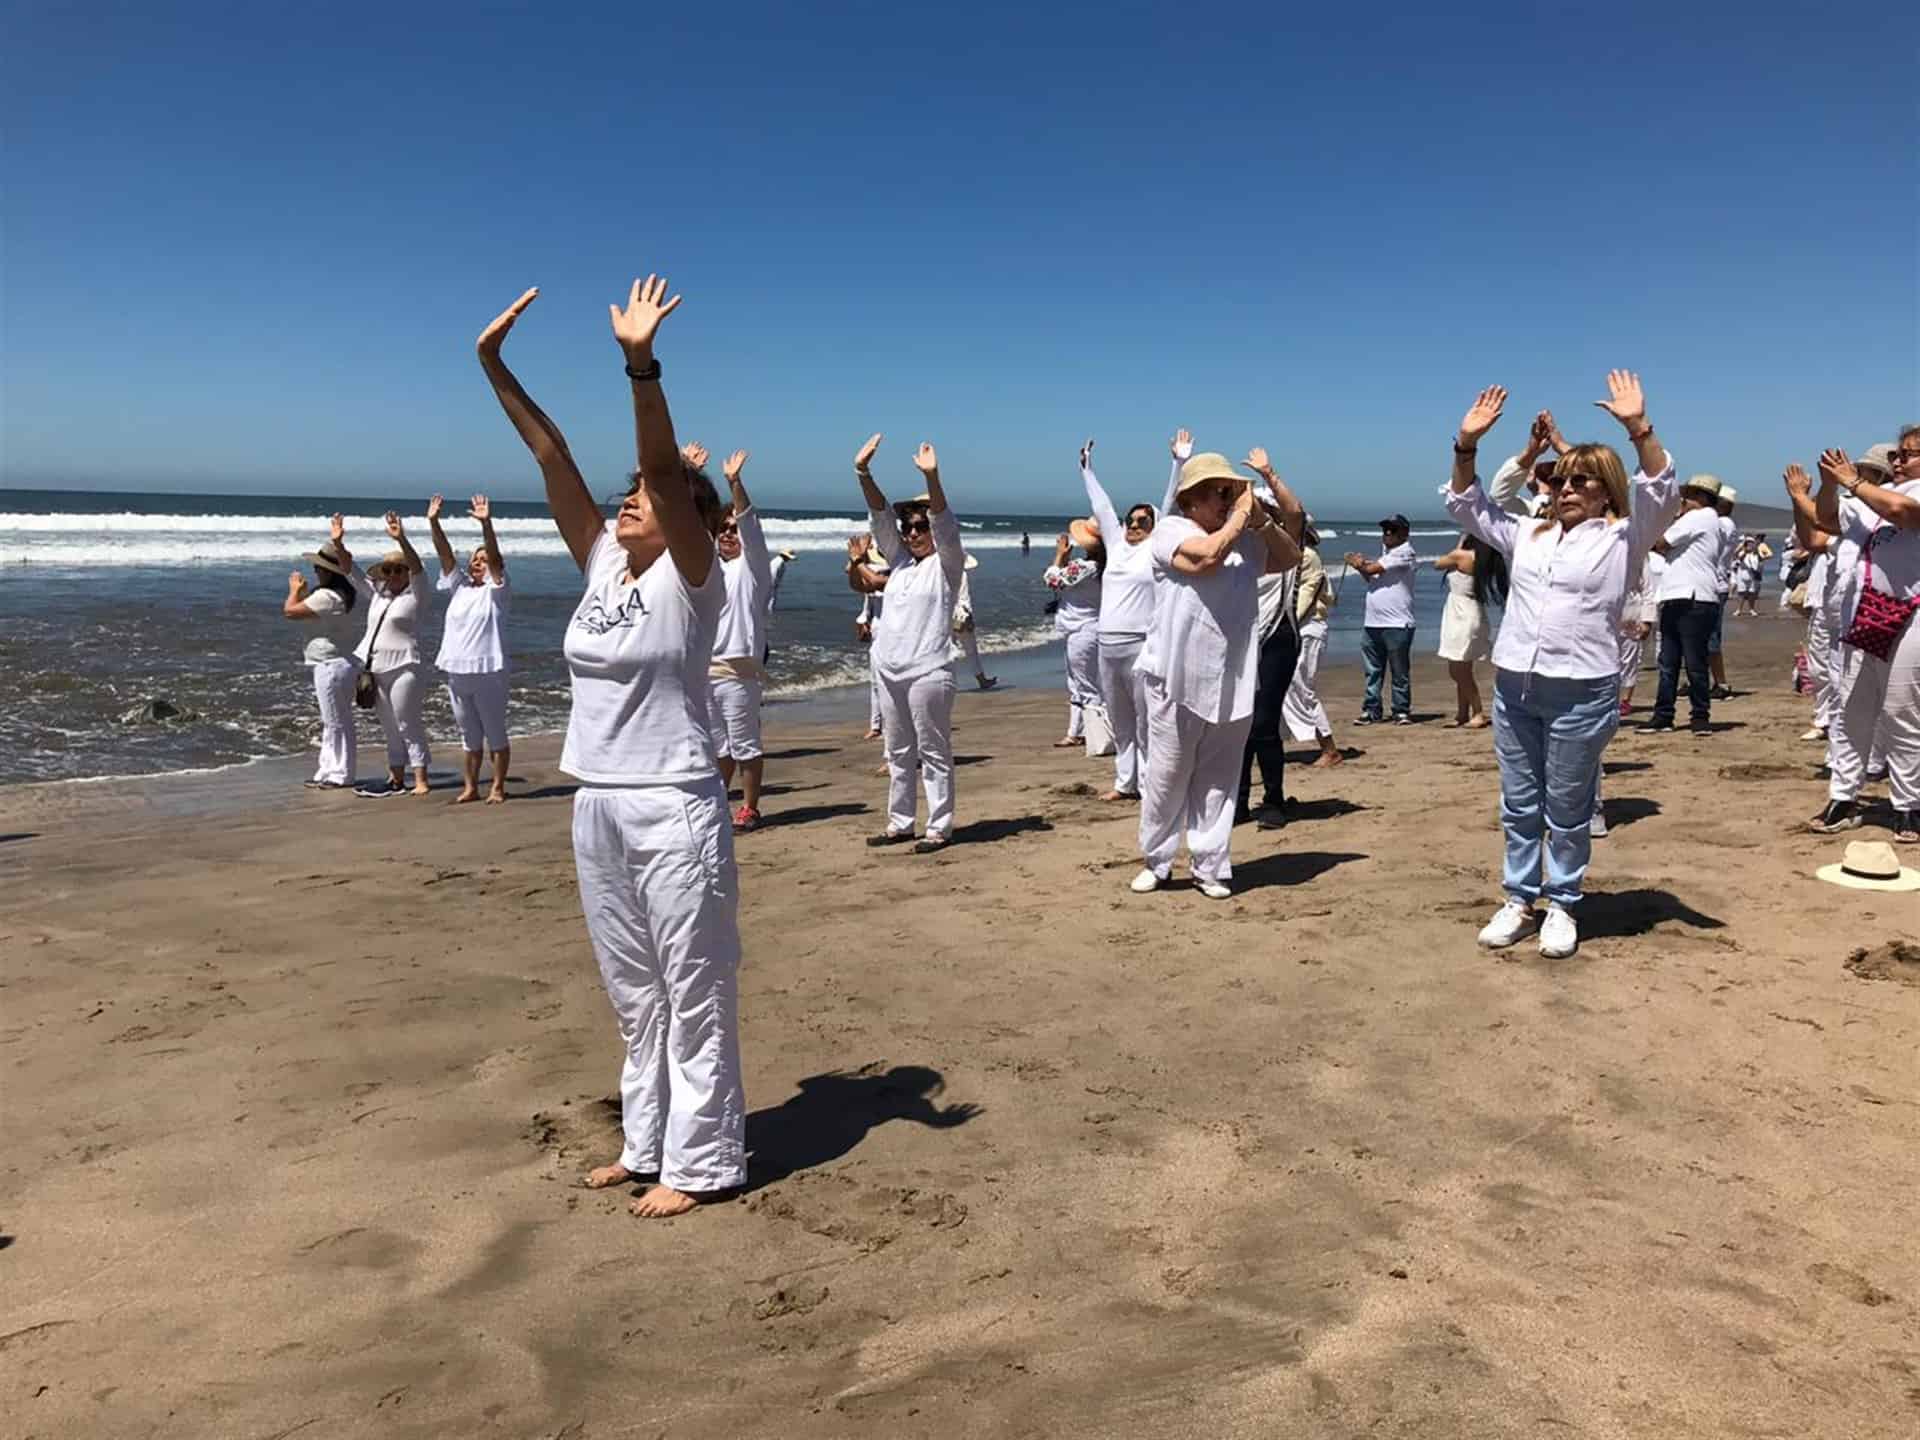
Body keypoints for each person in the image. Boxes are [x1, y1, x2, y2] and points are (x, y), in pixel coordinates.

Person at [476, 276, 745, 1219]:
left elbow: (666, 474)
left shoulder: (694, 578)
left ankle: (701, 1164)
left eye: (645, 496)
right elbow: (551, 455)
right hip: (595, 798)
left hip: (673, 802)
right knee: (634, 990)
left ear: (690, 523)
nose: (631, 501)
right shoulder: (602, 564)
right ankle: (645, 1146)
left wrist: (641, 366)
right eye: (625, 494)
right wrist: (493, 365)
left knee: (694, 986)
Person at [1444, 375, 1677, 959]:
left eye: (1580, 480)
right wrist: (1466, 444)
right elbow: (1467, 505)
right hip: (1515, 687)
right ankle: (1519, 899)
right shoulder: (1527, 533)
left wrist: (1638, 428)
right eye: (1559, 479)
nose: (1565, 487)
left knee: (1568, 808)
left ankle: (1563, 904)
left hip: (1582, 691)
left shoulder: (1624, 538)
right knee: (1519, 803)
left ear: (1606, 490)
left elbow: (1661, 491)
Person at [1131, 449, 1300, 899]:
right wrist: (1240, 517)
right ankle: (1157, 860)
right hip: (1173, 676)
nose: (1228, 500)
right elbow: (1204, 559)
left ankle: (1210, 866)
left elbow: (1290, 557)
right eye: (1219, 493)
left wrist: (1260, 520)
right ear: (1190, 500)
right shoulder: (1172, 530)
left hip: (1231, 677)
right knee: (1166, 777)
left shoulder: (1242, 539)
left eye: (1230, 492)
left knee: (1219, 779)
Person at [845, 433, 968, 853]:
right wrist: (863, 472)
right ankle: (900, 823)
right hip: (889, 669)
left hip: (929, 670)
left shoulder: (946, 564)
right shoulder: (898, 564)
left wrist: (932, 478)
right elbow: (880, 517)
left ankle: (939, 827)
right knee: (897, 750)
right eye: (909, 527)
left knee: (933, 750)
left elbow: (946, 524)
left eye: (920, 526)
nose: (913, 532)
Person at [1808, 436, 1920, 842]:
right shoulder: (1876, 494)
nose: (1898, 460)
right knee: (1850, 709)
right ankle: (1843, 796)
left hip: (1911, 614)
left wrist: (1852, 481)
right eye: (1896, 454)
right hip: (1862, 613)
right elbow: (1826, 521)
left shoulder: (1897, 496)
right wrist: (1828, 486)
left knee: (1901, 711)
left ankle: (1908, 804)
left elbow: (1903, 512)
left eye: (1908, 454)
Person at [1079, 437, 1173, 800]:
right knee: (1119, 719)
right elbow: (1101, 507)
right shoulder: (1116, 546)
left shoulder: (1155, 549)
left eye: (1142, 521)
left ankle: (1149, 784)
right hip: (1107, 644)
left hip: (1140, 646)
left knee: (1146, 719)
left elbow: (1169, 504)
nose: (1133, 525)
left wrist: (1178, 464)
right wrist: (1087, 470)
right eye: (1130, 520)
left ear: (1154, 526)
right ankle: (1124, 782)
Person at [699, 443, 775, 833]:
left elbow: (750, 525)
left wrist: (734, 484)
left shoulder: (753, 568)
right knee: (718, 747)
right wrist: (688, 473)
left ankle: (750, 808)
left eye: (733, 529)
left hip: (740, 671)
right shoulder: (708, 568)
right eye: (723, 529)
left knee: (745, 745)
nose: (729, 534)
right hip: (705, 671)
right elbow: (686, 527)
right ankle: (717, 803)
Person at [1236, 449, 1308, 827]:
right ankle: (1237, 803)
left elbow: (1295, 512)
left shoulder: (1284, 541)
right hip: (1241, 641)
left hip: (1278, 636)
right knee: (1238, 724)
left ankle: (1274, 801)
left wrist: (1269, 474)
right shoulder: (1236, 544)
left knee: (1263, 722)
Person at [426, 492, 512, 805]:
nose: (478, 563)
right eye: (475, 559)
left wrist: (486, 525)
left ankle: (498, 787)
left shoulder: (497, 590)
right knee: (468, 735)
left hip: (488, 671)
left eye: (483, 560)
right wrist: (434, 523)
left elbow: (496, 559)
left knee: (494, 731)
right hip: (457, 670)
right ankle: (471, 787)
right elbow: (445, 555)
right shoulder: (459, 587)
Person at [1641, 474, 1728, 734]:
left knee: (1681, 662)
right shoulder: (1711, 520)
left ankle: (1682, 715)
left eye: (1687, 496)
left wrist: (1665, 520)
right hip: (1690, 594)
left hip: (1690, 595)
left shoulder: (1698, 517)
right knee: (1684, 661)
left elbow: (1661, 543)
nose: (1683, 500)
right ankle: (1684, 715)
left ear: (1700, 497)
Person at [354, 512, 433, 796]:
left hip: (405, 667)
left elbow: (418, 570)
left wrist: (401, 539)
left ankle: (421, 779)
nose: (393, 574)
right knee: (389, 727)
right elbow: (352, 573)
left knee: (407, 722)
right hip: (376, 667)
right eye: (388, 570)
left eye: (399, 569)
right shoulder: (379, 595)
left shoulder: (417, 594)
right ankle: (396, 778)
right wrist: (338, 544)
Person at [283, 513, 363, 790]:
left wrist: (294, 590)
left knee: (336, 721)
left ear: (329, 571)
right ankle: (327, 770)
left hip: (331, 664)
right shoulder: (343, 595)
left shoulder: (327, 596)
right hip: (338, 662)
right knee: (333, 720)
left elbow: (290, 611)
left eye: (319, 568)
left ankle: (341, 773)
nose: (316, 571)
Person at [1282, 520, 1343, 768]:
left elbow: (1305, 598)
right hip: (1299, 627)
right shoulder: (1292, 555)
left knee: (1300, 687)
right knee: (1282, 687)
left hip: (1306, 628)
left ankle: (1329, 747)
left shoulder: (1305, 556)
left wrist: (1285, 625)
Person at [1346, 515, 1417, 724]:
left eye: (1392, 530)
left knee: (1399, 671)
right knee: (1372, 671)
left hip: (1397, 623)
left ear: (1404, 534)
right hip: (1373, 622)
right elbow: (1371, 576)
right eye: (1385, 530)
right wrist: (1360, 566)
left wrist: (1359, 564)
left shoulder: (1405, 553)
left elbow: (1371, 569)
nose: (1387, 534)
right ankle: (1371, 709)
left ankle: (1401, 710)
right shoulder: (1386, 556)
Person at [1433, 533, 1508, 727]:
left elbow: (1437, 564)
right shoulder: (1482, 559)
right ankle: (1462, 713)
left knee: (1458, 670)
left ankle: (1478, 712)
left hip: (1461, 614)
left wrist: (1459, 544)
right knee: (1463, 667)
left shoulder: (1461, 555)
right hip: (1471, 611)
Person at [1044, 523, 1104, 748]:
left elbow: (1052, 580)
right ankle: (1076, 732)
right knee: (1081, 682)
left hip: (1081, 629)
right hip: (1091, 627)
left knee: (1084, 684)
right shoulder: (1102, 567)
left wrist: (1059, 556)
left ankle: (1095, 735)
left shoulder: (1086, 567)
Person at [850, 536, 888, 739]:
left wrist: (859, 559)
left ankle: (886, 725)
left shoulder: (897, 571)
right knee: (875, 680)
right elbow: (866, 594)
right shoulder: (872, 570)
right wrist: (864, 618)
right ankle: (876, 724)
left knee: (888, 680)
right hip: (877, 630)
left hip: (893, 631)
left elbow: (872, 582)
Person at [1703, 486, 1739, 696]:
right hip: (1714, 584)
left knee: (1711, 637)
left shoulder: (1723, 523)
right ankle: (1702, 679)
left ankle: (1721, 683)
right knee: (1702, 636)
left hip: (1716, 586)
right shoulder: (1722, 523)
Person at [950, 563, 997, 691]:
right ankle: (982, 680)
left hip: (944, 615)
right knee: (970, 649)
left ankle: (948, 681)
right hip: (959, 616)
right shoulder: (961, 574)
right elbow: (964, 599)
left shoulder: (940, 573)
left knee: (948, 649)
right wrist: (969, 616)